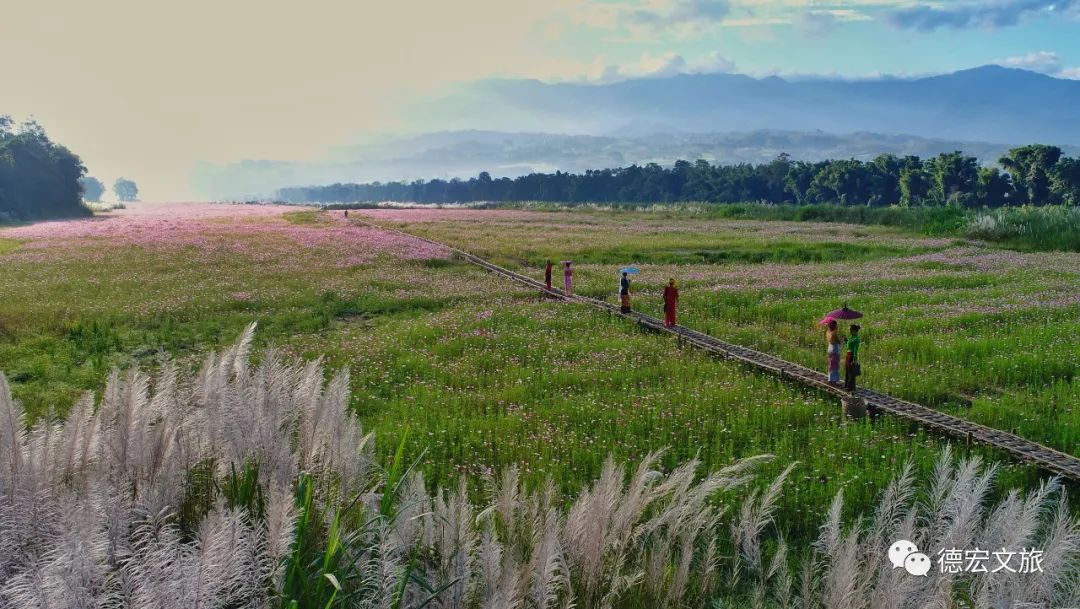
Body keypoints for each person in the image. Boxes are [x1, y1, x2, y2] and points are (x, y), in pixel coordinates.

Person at [845, 324, 862, 391]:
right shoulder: (851, 337)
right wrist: (846, 341)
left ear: (854, 330)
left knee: (851, 372)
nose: (849, 331)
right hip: (848, 354)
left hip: (851, 355)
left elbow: (855, 350)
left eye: (850, 330)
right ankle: (847, 386)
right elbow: (848, 346)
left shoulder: (856, 339)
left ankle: (850, 387)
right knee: (847, 371)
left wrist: (854, 359)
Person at [825, 319, 841, 385]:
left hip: (829, 350)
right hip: (835, 350)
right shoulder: (834, 333)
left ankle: (830, 379)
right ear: (834, 326)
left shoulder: (827, 332)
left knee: (830, 365)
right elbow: (838, 342)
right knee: (835, 365)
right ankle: (834, 380)